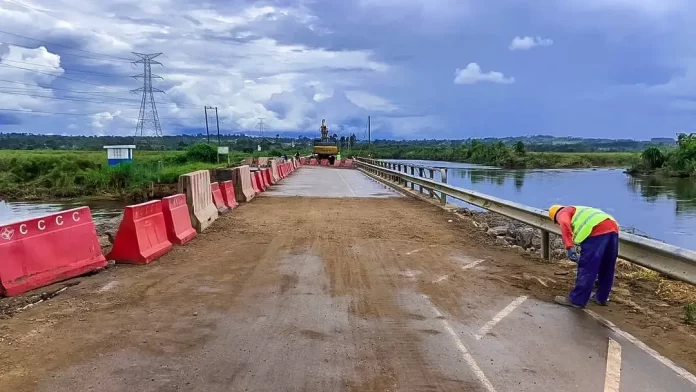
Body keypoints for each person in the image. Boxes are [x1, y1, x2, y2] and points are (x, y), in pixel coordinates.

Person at [548, 205, 619, 308]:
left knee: (588, 268)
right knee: (607, 266)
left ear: (555, 217)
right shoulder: (579, 209)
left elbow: (564, 223)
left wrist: (569, 247)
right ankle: (601, 298)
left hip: (596, 231)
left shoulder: (562, 213)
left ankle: (577, 300)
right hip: (613, 228)